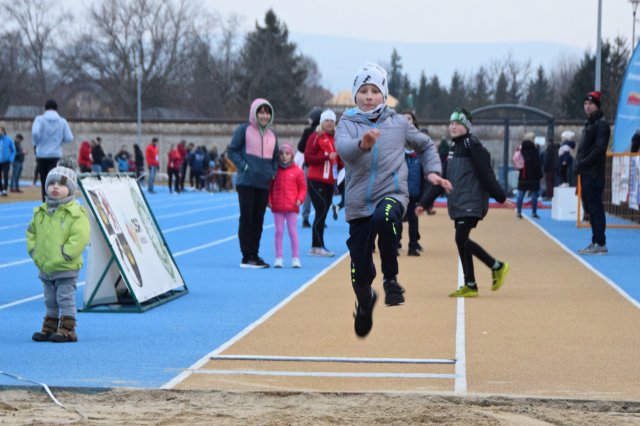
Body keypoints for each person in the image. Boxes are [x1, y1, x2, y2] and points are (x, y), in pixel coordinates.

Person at [335, 63, 451, 338]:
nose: (368, 95)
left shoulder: (399, 123)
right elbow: (344, 150)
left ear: (383, 94)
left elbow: (424, 145)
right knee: (359, 274)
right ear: (356, 95)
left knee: (385, 217)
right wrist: (363, 143)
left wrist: (433, 171)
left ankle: (391, 280)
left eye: (374, 90)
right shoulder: (347, 123)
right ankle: (365, 304)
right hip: (358, 203)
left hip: (392, 194)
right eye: (363, 90)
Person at [417, 107, 509, 298]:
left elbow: (485, 173)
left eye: (458, 123)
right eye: (451, 123)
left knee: (461, 238)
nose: (453, 126)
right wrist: (424, 203)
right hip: (458, 201)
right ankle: (470, 284)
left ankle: (496, 266)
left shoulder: (472, 145)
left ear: (467, 126)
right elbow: (442, 180)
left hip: (471, 201)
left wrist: (500, 196)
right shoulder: (452, 149)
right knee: (461, 240)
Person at [27, 165, 90, 343]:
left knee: (65, 298)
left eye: (61, 184)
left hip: (65, 266)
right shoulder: (40, 212)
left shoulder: (75, 213)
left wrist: (67, 254)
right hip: (46, 267)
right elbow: (31, 232)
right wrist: (34, 251)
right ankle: (50, 326)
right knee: (50, 299)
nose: (55, 187)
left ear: (70, 189)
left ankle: (68, 329)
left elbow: (80, 236)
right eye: (51, 183)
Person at [227, 98, 279, 268]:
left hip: (263, 184)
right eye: (261, 112)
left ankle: (254, 254)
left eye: (267, 112)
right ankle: (246, 255)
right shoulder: (244, 130)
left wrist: (271, 172)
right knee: (247, 219)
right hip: (246, 182)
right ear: (254, 113)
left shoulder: (272, 136)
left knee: (258, 220)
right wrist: (244, 167)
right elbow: (232, 151)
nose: (264, 115)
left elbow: (276, 159)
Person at [575, 91, 611, 255]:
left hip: (594, 173)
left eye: (590, 104)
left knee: (596, 208)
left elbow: (599, 149)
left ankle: (600, 242)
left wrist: (582, 163)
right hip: (586, 171)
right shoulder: (589, 124)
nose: (587, 106)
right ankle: (595, 240)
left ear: (597, 105)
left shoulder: (601, 125)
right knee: (590, 208)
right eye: (585, 104)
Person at [304, 109, 343, 257]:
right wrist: (326, 157)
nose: (330, 123)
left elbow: (338, 160)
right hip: (316, 179)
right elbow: (308, 158)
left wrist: (342, 164)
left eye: (332, 121)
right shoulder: (315, 136)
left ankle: (316, 246)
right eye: (327, 120)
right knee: (320, 211)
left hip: (329, 181)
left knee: (324, 212)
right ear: (321, 122)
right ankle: (317, 245)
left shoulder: (336, 138)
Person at [268, 143, 307, 268]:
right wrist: (269, 200)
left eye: (287, 154)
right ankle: (278, 258)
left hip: (292, 207)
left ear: (292, 155)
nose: (284, 156)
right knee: (278, 232)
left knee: (292, 232)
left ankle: (295, 258)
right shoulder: (275, 171)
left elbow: (303, 188)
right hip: (278, 206)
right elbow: (270, 187)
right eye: (281, 154)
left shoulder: (298, 172)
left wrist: (300, 199)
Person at [31, 99, 74, 202]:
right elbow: (69, 137)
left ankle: (45, 204)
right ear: (56, 109)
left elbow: (35, 133)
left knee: (44, 183)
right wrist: (58, 141)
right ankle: (55, 204)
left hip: (42, 155)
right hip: (55, 155)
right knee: (55, 183)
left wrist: (37, 143)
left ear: (45, 108)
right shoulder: (62, 121)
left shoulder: (39, 119)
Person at [297, 108, 322, 228]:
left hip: (310, 165)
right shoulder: (324, 133)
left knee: (308, 193)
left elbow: (300, 147)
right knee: (321, 193)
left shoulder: (308, 132)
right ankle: (320, 217)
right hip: (322, 167)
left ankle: (305, 218)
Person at [515, 134, 542, 219]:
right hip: (533, 174)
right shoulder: (535, 149)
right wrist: (540, 175)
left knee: (520, 193)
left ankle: (518, 212)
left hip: (523, 173)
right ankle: (534, 213)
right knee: (534, 193)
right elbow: (538, 163)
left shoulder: (520, 148)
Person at [0, 127, 16, 197]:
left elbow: (13, 150)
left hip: (6, 161)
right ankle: (1, 189)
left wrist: (11, 159)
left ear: (3, 131)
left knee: (6, 175)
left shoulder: (8, 140)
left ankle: (5, 190)